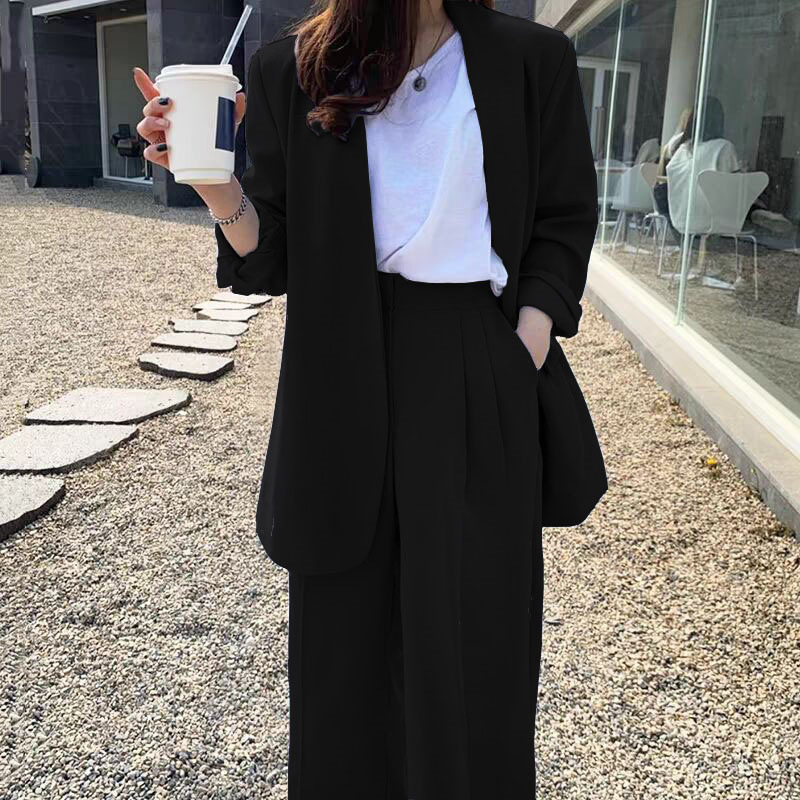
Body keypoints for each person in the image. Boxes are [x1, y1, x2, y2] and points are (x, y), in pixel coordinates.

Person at [134, 1, 604, 797]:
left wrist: (517, 351)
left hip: (474, 364)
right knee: (341, 664)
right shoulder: (292, 67)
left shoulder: (532, 59)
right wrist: (216, 188)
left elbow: (563, 221)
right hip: (336, 374)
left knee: (471, 651)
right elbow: (269, 254)